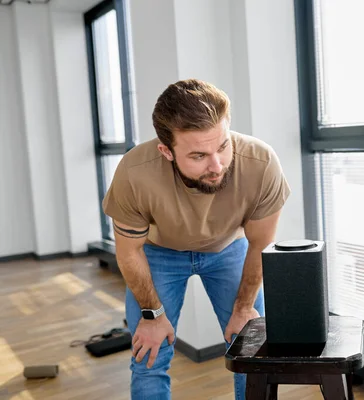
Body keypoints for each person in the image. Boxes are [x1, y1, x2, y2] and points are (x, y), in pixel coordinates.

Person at [102, 79, 290, 400]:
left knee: (252, 353)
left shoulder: (261, 163)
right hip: (159, 252)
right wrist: (152, 315)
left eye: (222, 146)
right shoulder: (135, 172)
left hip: (229, 247)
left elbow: (259, 245)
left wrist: (244, 306)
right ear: (166, 151)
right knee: (150, 355)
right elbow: (129, 252)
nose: (217, 165)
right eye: (199, 155)